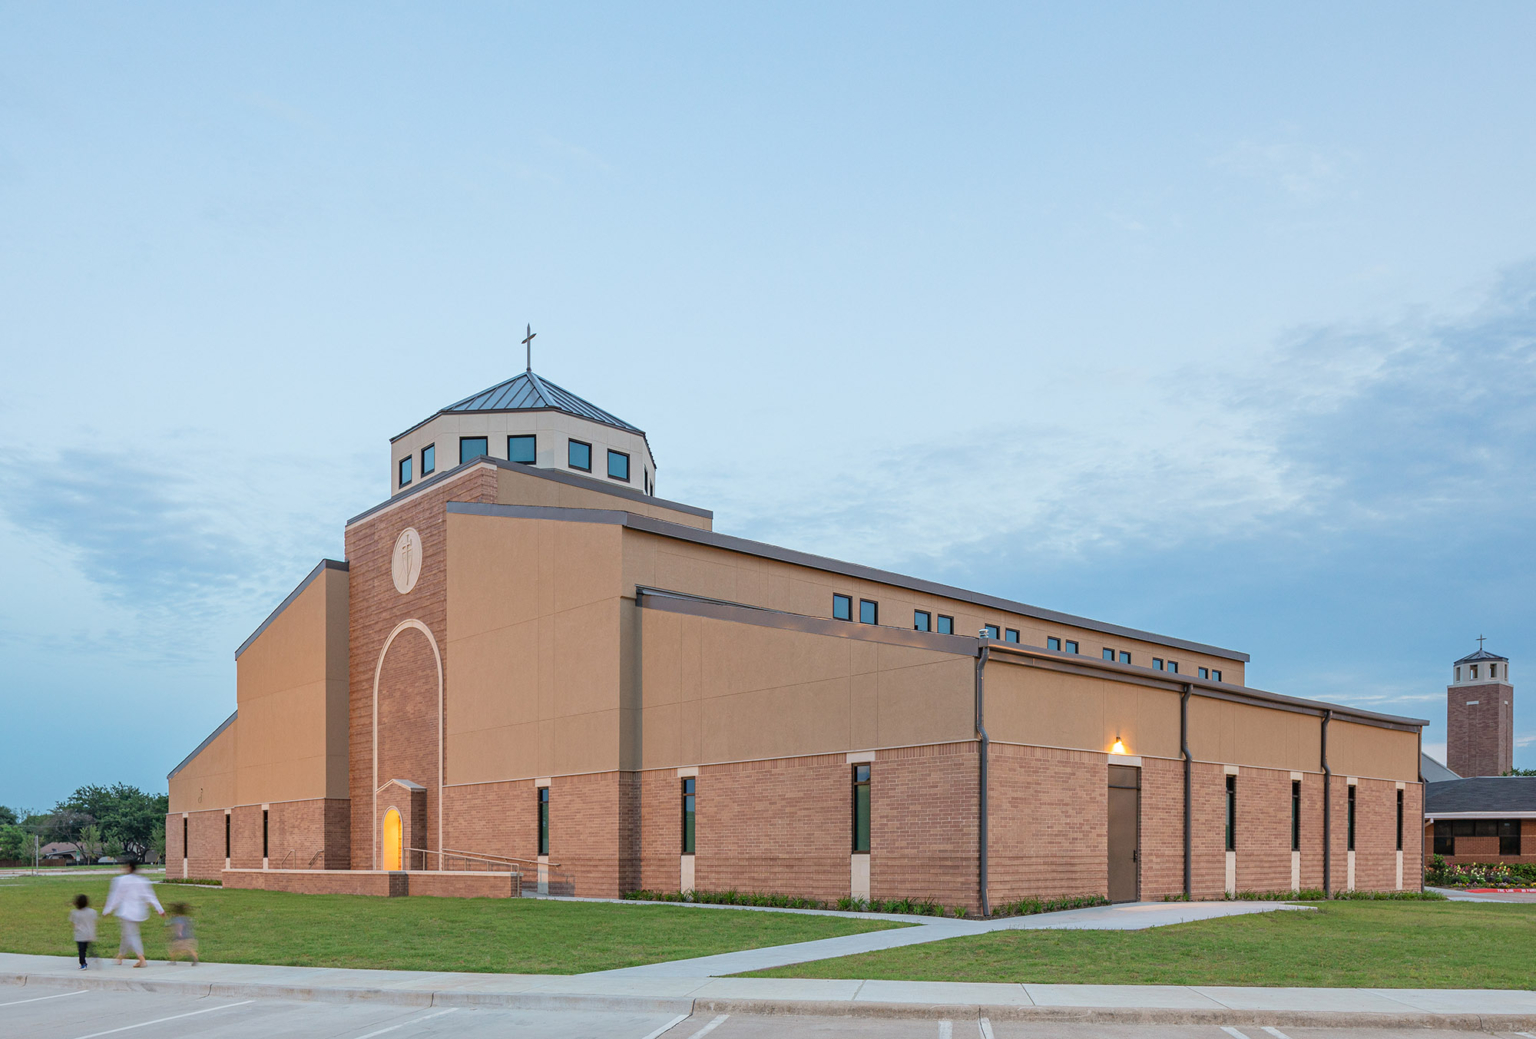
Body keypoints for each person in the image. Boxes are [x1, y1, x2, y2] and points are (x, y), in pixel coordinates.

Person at [102, 861, 163, 967]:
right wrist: (159, 908)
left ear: (129, 867)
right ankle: (120, 957)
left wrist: (108, 909)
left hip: (126, 912)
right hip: (138, 912)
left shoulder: (121, 880)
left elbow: (116, 896)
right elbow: (150, 896)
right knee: (127, 934)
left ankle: (141, 959)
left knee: (132, 935)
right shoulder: (142, 880)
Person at [69, 894, 97, 969]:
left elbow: (74, 924)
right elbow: (93, 923)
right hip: (89, 934)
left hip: (80, 935)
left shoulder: (74, 912)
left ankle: (83, 964)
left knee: (81, 950)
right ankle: (94, 956)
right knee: (88, 947)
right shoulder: (92, 912)